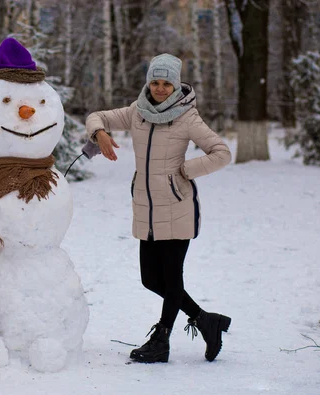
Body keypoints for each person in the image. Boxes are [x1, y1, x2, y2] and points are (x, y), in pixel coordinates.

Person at [85, 54, 232, 363]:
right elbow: (97, 115)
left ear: (176, 85)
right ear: (148, 83)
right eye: (155, 82)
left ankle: (161, 340)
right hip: (146, 208)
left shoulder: (187, 117)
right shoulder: (136, 113)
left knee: (171, 276)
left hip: (177, 205)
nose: (161, 89)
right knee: (151, 279)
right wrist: (99, 133)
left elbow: (221, 153)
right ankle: (206, 320)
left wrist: (185, 170)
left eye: (167, 83)